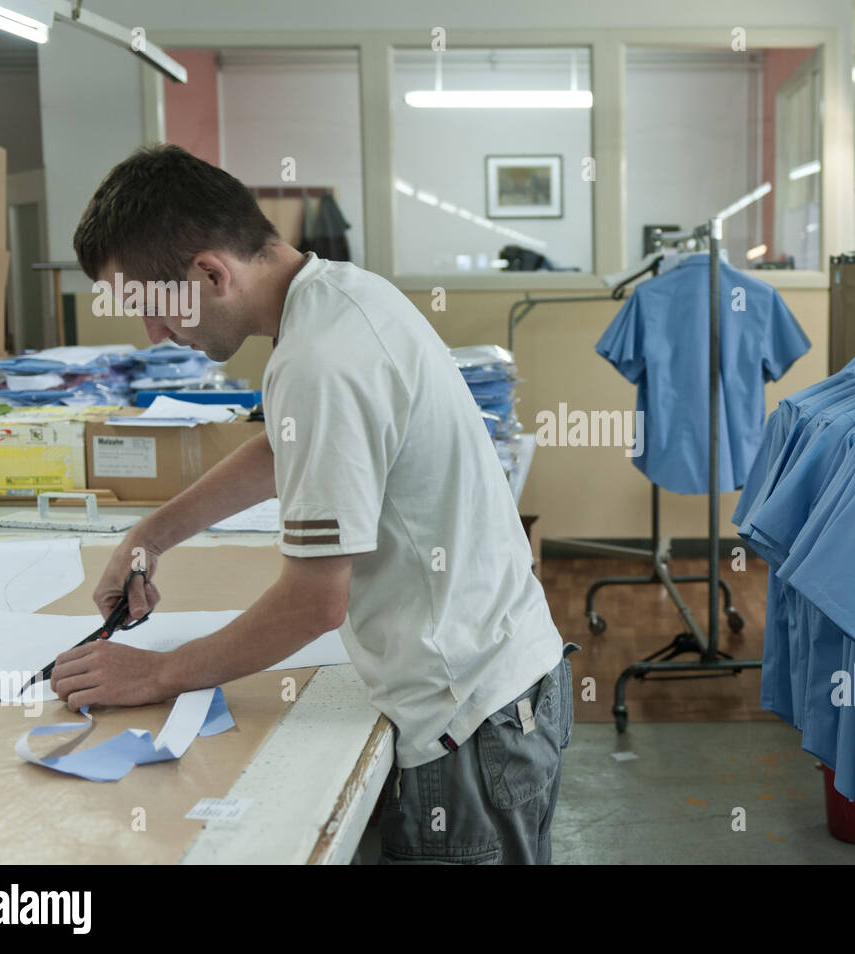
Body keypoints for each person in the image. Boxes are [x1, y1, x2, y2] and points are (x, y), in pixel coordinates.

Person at [57, 144, 573, 864]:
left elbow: (313, 604)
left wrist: (157, 673)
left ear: (210, 272)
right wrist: (151, 534)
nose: (153, 334)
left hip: (471, 720)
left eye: (152, 308)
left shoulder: (320, 360)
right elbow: (282, 447)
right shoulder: (334, 295)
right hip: (502, 681)